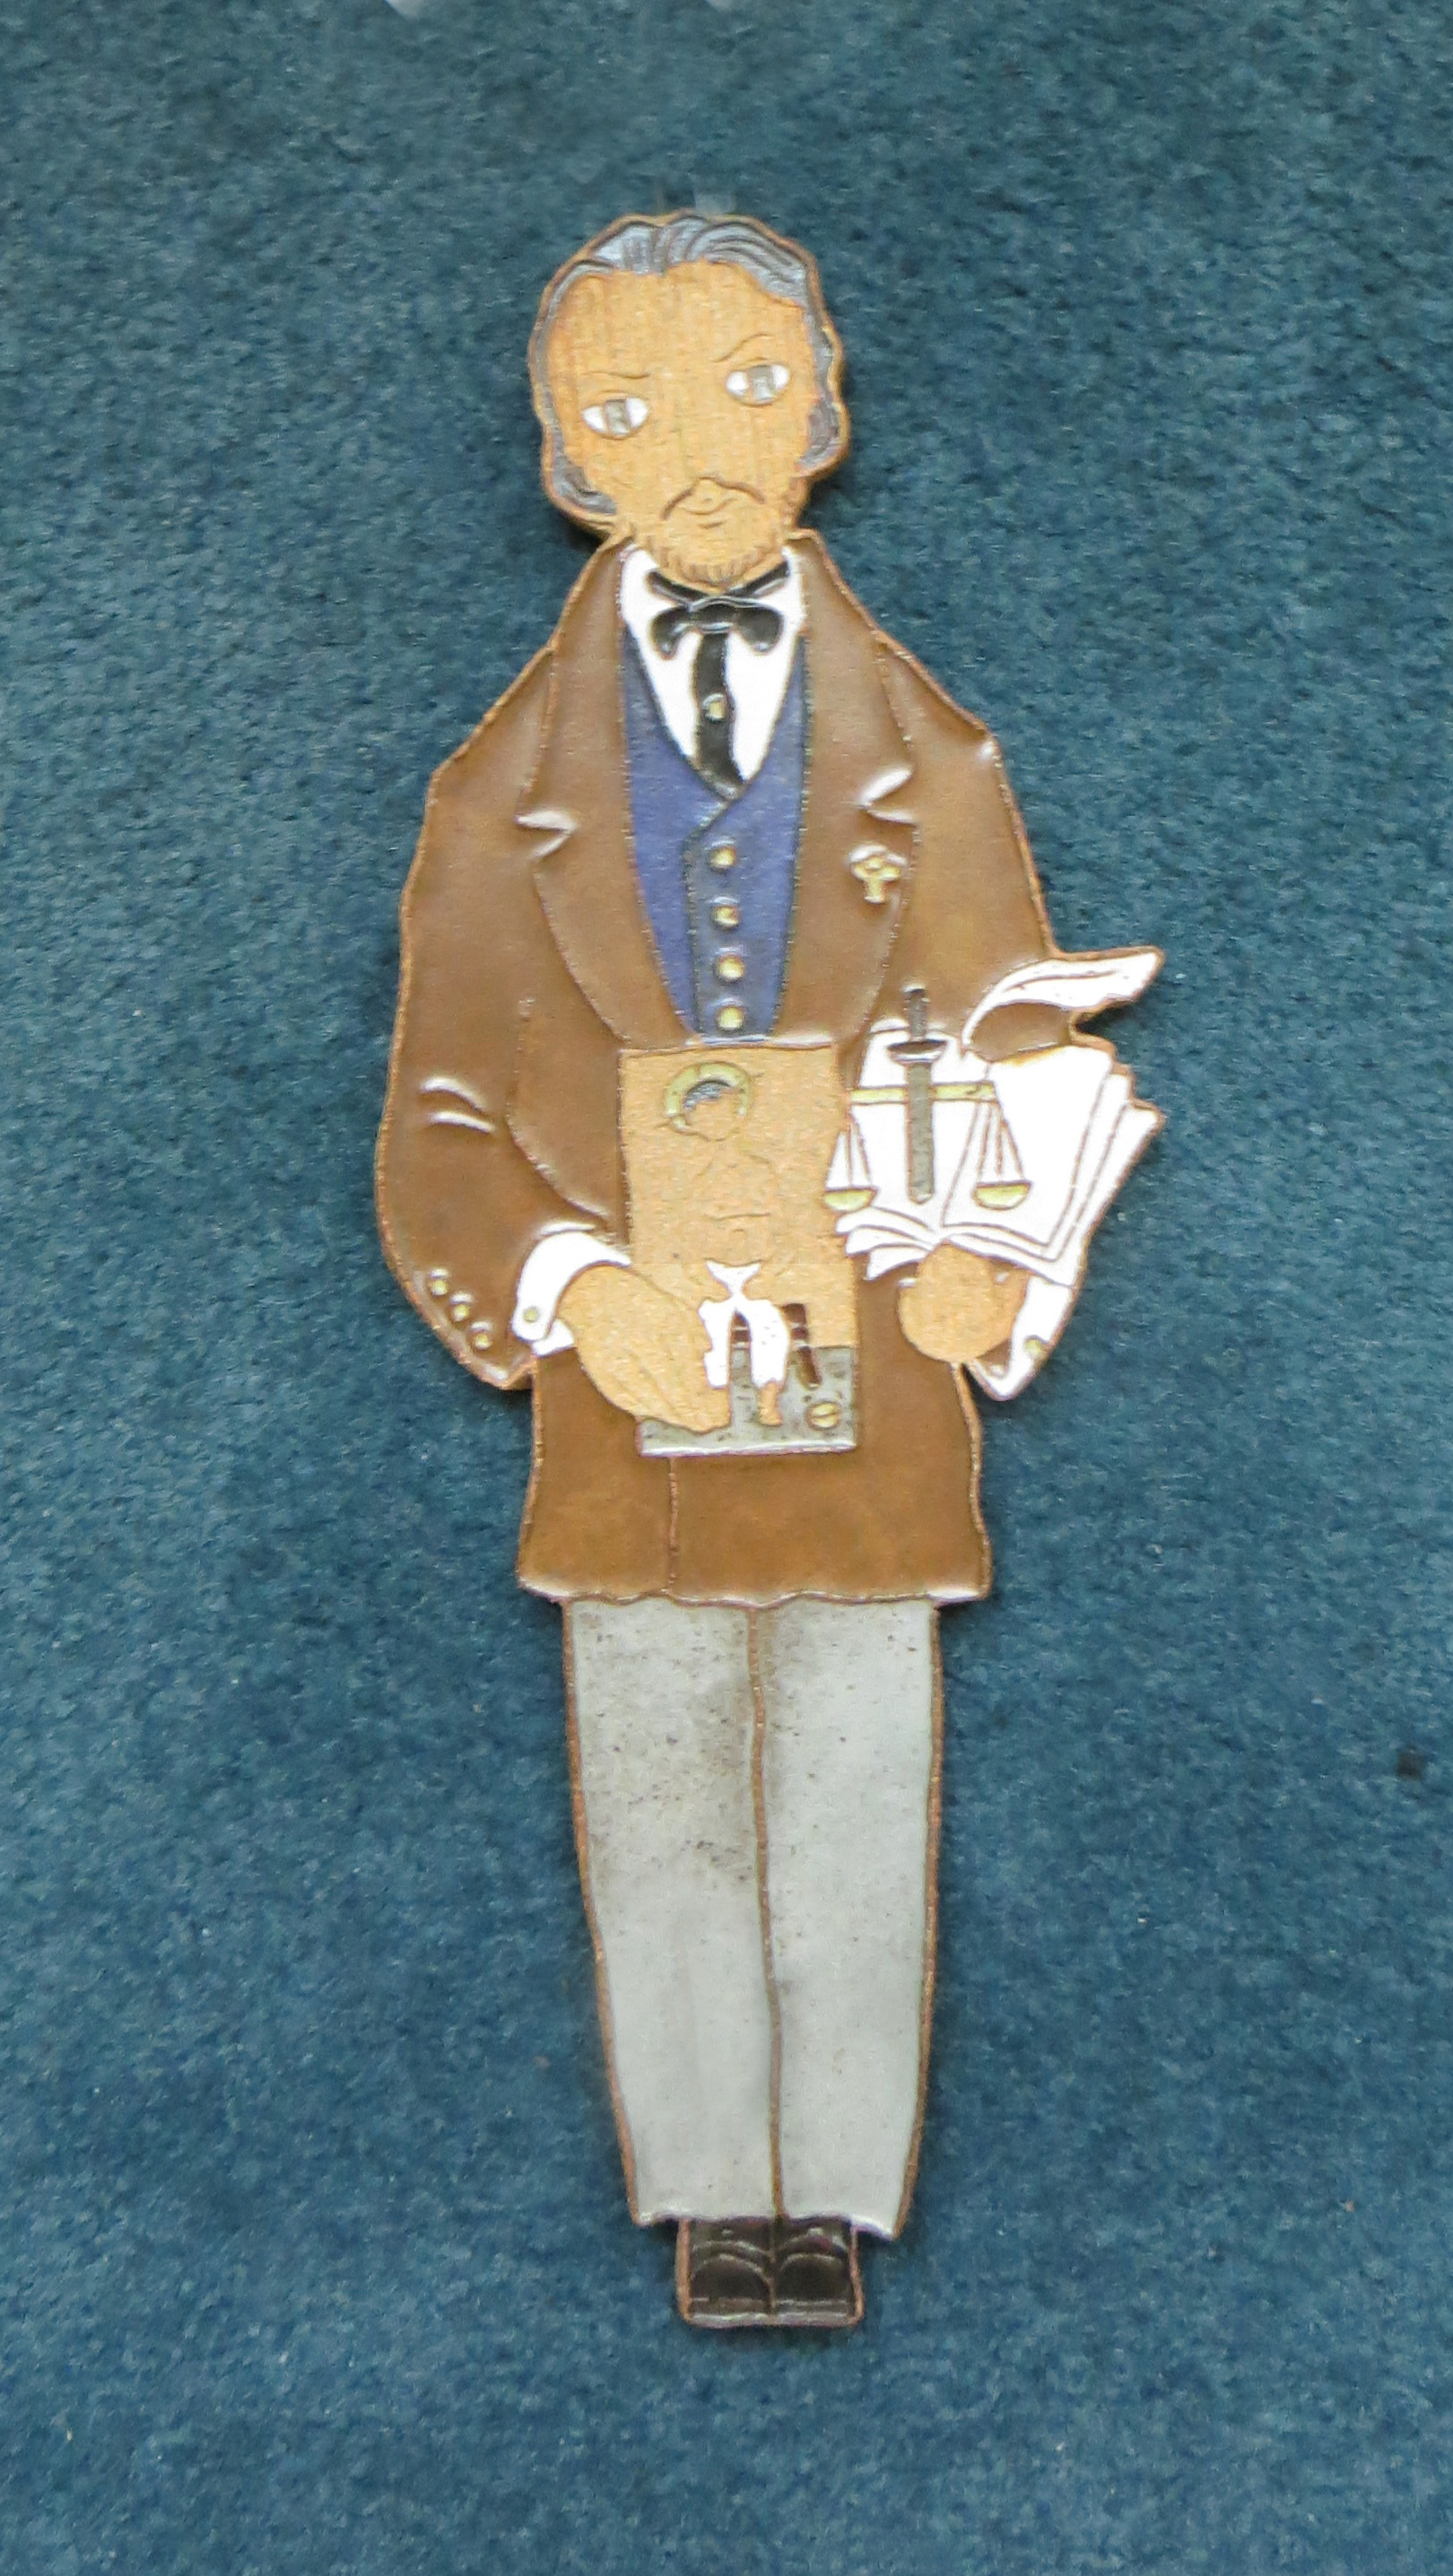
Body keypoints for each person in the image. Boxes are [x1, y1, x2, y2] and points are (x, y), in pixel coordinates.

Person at [376, 213, 1157, 2328]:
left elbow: (1012, 1033)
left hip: (875, 1371)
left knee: (853, 1775)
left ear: (821, 414)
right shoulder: (493, 796)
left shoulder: (937, 757)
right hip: (625, 1398)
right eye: (627, 411)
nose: (696, 451)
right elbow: (438, 1118)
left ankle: (845, 2183)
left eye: (742, 390)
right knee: (657, 1792)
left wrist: (991, 1261)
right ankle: (717, 2182)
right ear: (567, 458)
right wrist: (572, 1289)